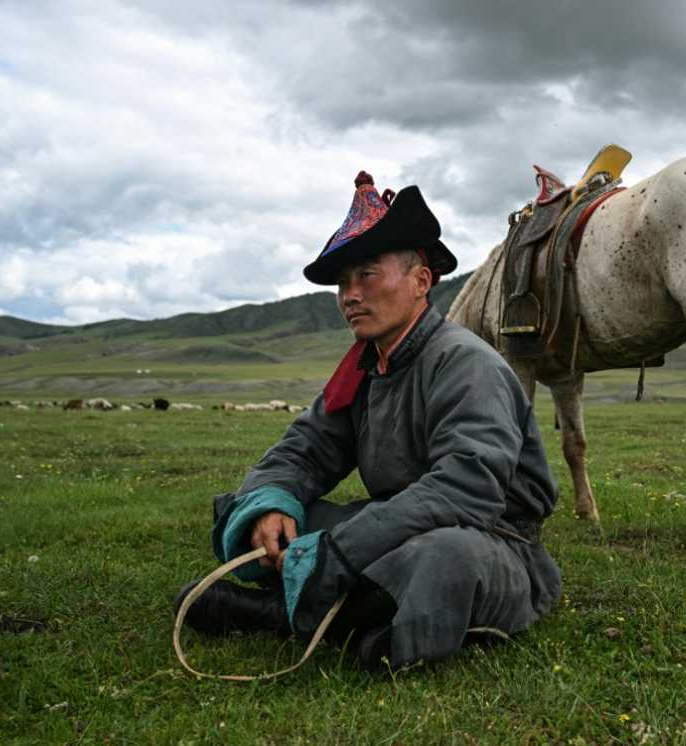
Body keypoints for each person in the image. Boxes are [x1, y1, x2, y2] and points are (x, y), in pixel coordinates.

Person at [174, 171, 561, 668]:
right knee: (285, 520)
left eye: (367, 275)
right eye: (342, 283)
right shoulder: (363, 368)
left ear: (421, 281)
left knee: (440, 558)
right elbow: (305, 450)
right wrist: (272, 505)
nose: (349, 295)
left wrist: (345, 548)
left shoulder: (466, 362)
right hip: (399, 526)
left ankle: (273, 613)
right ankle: (342, 612)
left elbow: (467, 489)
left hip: (491, 539)